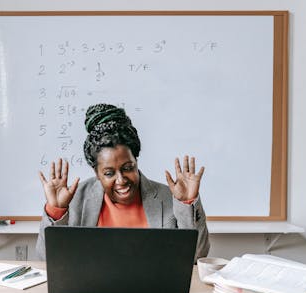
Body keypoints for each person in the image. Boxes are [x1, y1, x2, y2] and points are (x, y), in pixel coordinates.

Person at [36, 103, 209, 260]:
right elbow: (46, 260)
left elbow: (196, 257)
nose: (121, 180)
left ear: (136, 161)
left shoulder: (169, 198)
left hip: (152, 292)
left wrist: (187, 203)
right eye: (109, 173)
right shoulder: (75, 199)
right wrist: (56, 211)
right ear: (96, 173)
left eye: (127, 168)